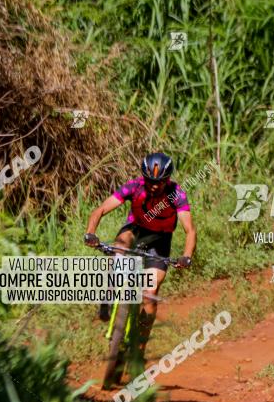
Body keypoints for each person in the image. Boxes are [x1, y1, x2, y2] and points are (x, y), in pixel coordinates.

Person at [83, 152, 196, 359]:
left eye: (159, 182)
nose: (154, 186)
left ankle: (140, 346)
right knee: (120, 245)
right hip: (134, 230)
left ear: (167, 179)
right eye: (150, 181)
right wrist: (90, 233)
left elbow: (190, 230)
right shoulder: (134, 186)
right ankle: (110, 290)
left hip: (160, 242)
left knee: (149, 295)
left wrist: (186, 256)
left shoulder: (176, 194)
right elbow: (100, 210)